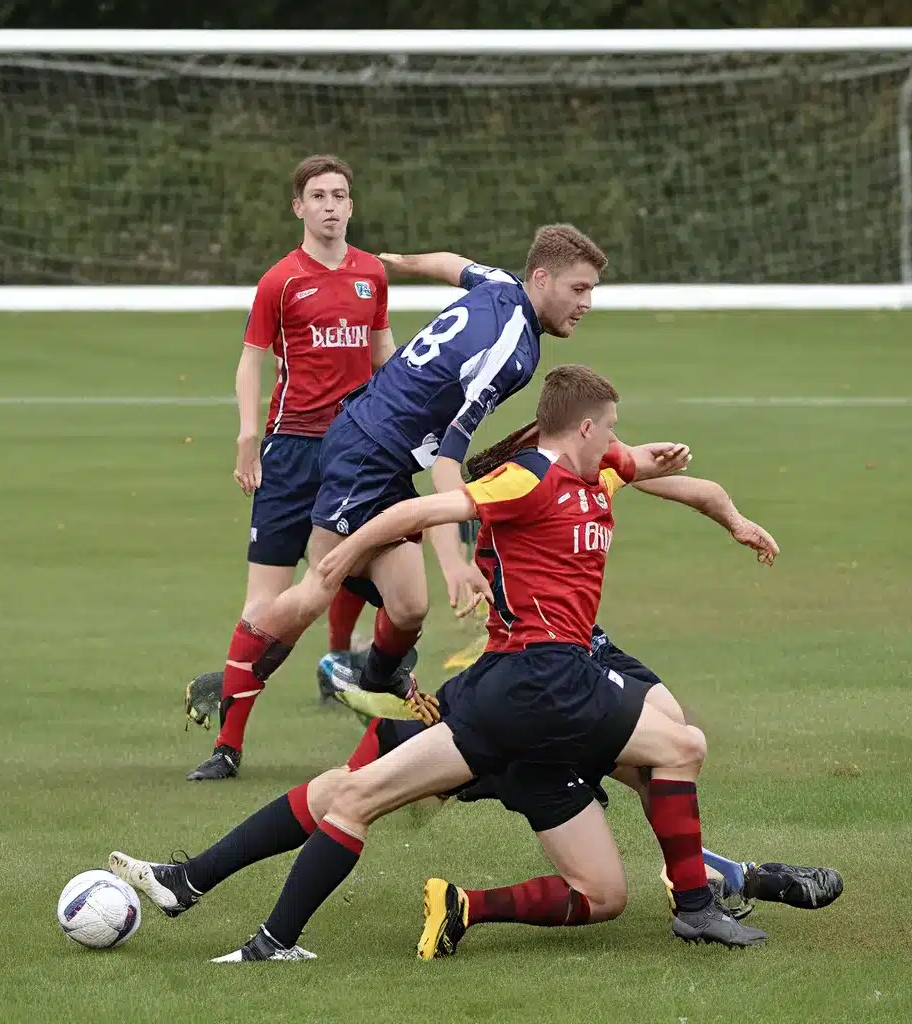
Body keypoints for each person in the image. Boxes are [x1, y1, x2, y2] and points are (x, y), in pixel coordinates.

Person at [133, 364, 776, 959]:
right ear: (583, 427)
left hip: (513, 704)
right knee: (680, 744)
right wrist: (342, 556)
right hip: (541, 684)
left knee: (597, 890)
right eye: (609, 425)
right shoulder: (528, 477)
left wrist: (733, 518)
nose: (619, 439)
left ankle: (198, 886)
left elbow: (671, 475)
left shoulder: (599, 465)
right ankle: (697, 901)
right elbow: (425, 508)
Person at [207, 227, 611, 783]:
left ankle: (373, 680)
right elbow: (449, 461)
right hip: (365, 449)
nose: (587, 304)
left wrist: (393, 260)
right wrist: (455, 562)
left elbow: (450, 262)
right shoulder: (512, 352)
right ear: (541, 279)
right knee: (314, 589)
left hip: (386, 454)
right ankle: (229, 725)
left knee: (408, 606)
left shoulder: (498, 283)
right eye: (579, 288)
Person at [187, 154, 400, 782]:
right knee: (267, 602)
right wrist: (249, 435)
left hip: (359, 451)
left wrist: (406, 420)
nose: (331, 204)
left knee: (392, 592)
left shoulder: (371, 275)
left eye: (340, 194)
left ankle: (365, 685)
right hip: (292, 451)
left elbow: (382, 351)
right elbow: (251, 360)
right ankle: (228, 746)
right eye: (318, 195)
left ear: (351, 206)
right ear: (299, 208)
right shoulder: (280, 281)